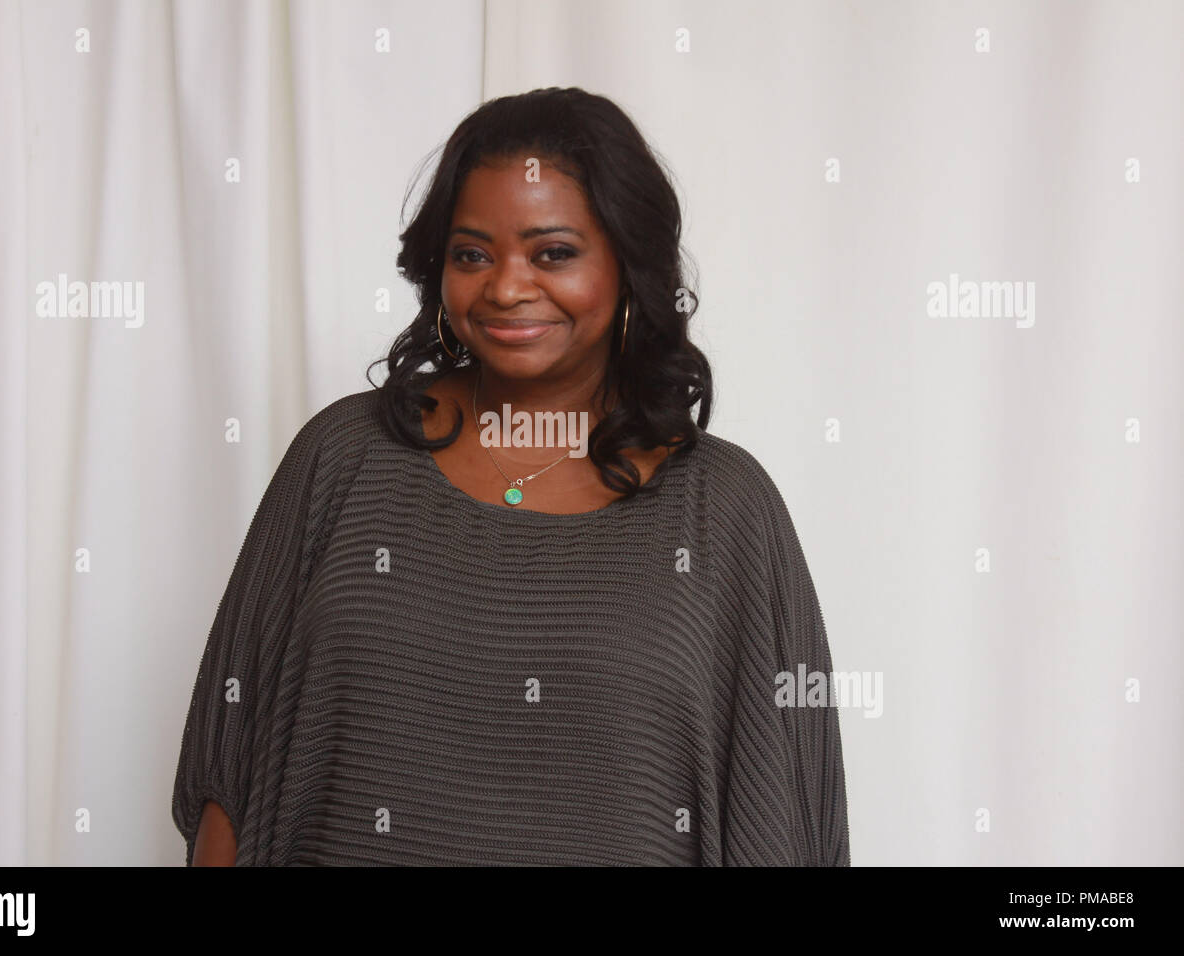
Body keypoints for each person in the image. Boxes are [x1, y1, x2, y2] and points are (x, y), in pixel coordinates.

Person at [172, 86, 850, 866]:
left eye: (552, 252)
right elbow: (229, 774)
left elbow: (787, 813)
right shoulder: (342, 458)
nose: (505, 286)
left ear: (629, 266)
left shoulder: (727, 513)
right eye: (471, 254)